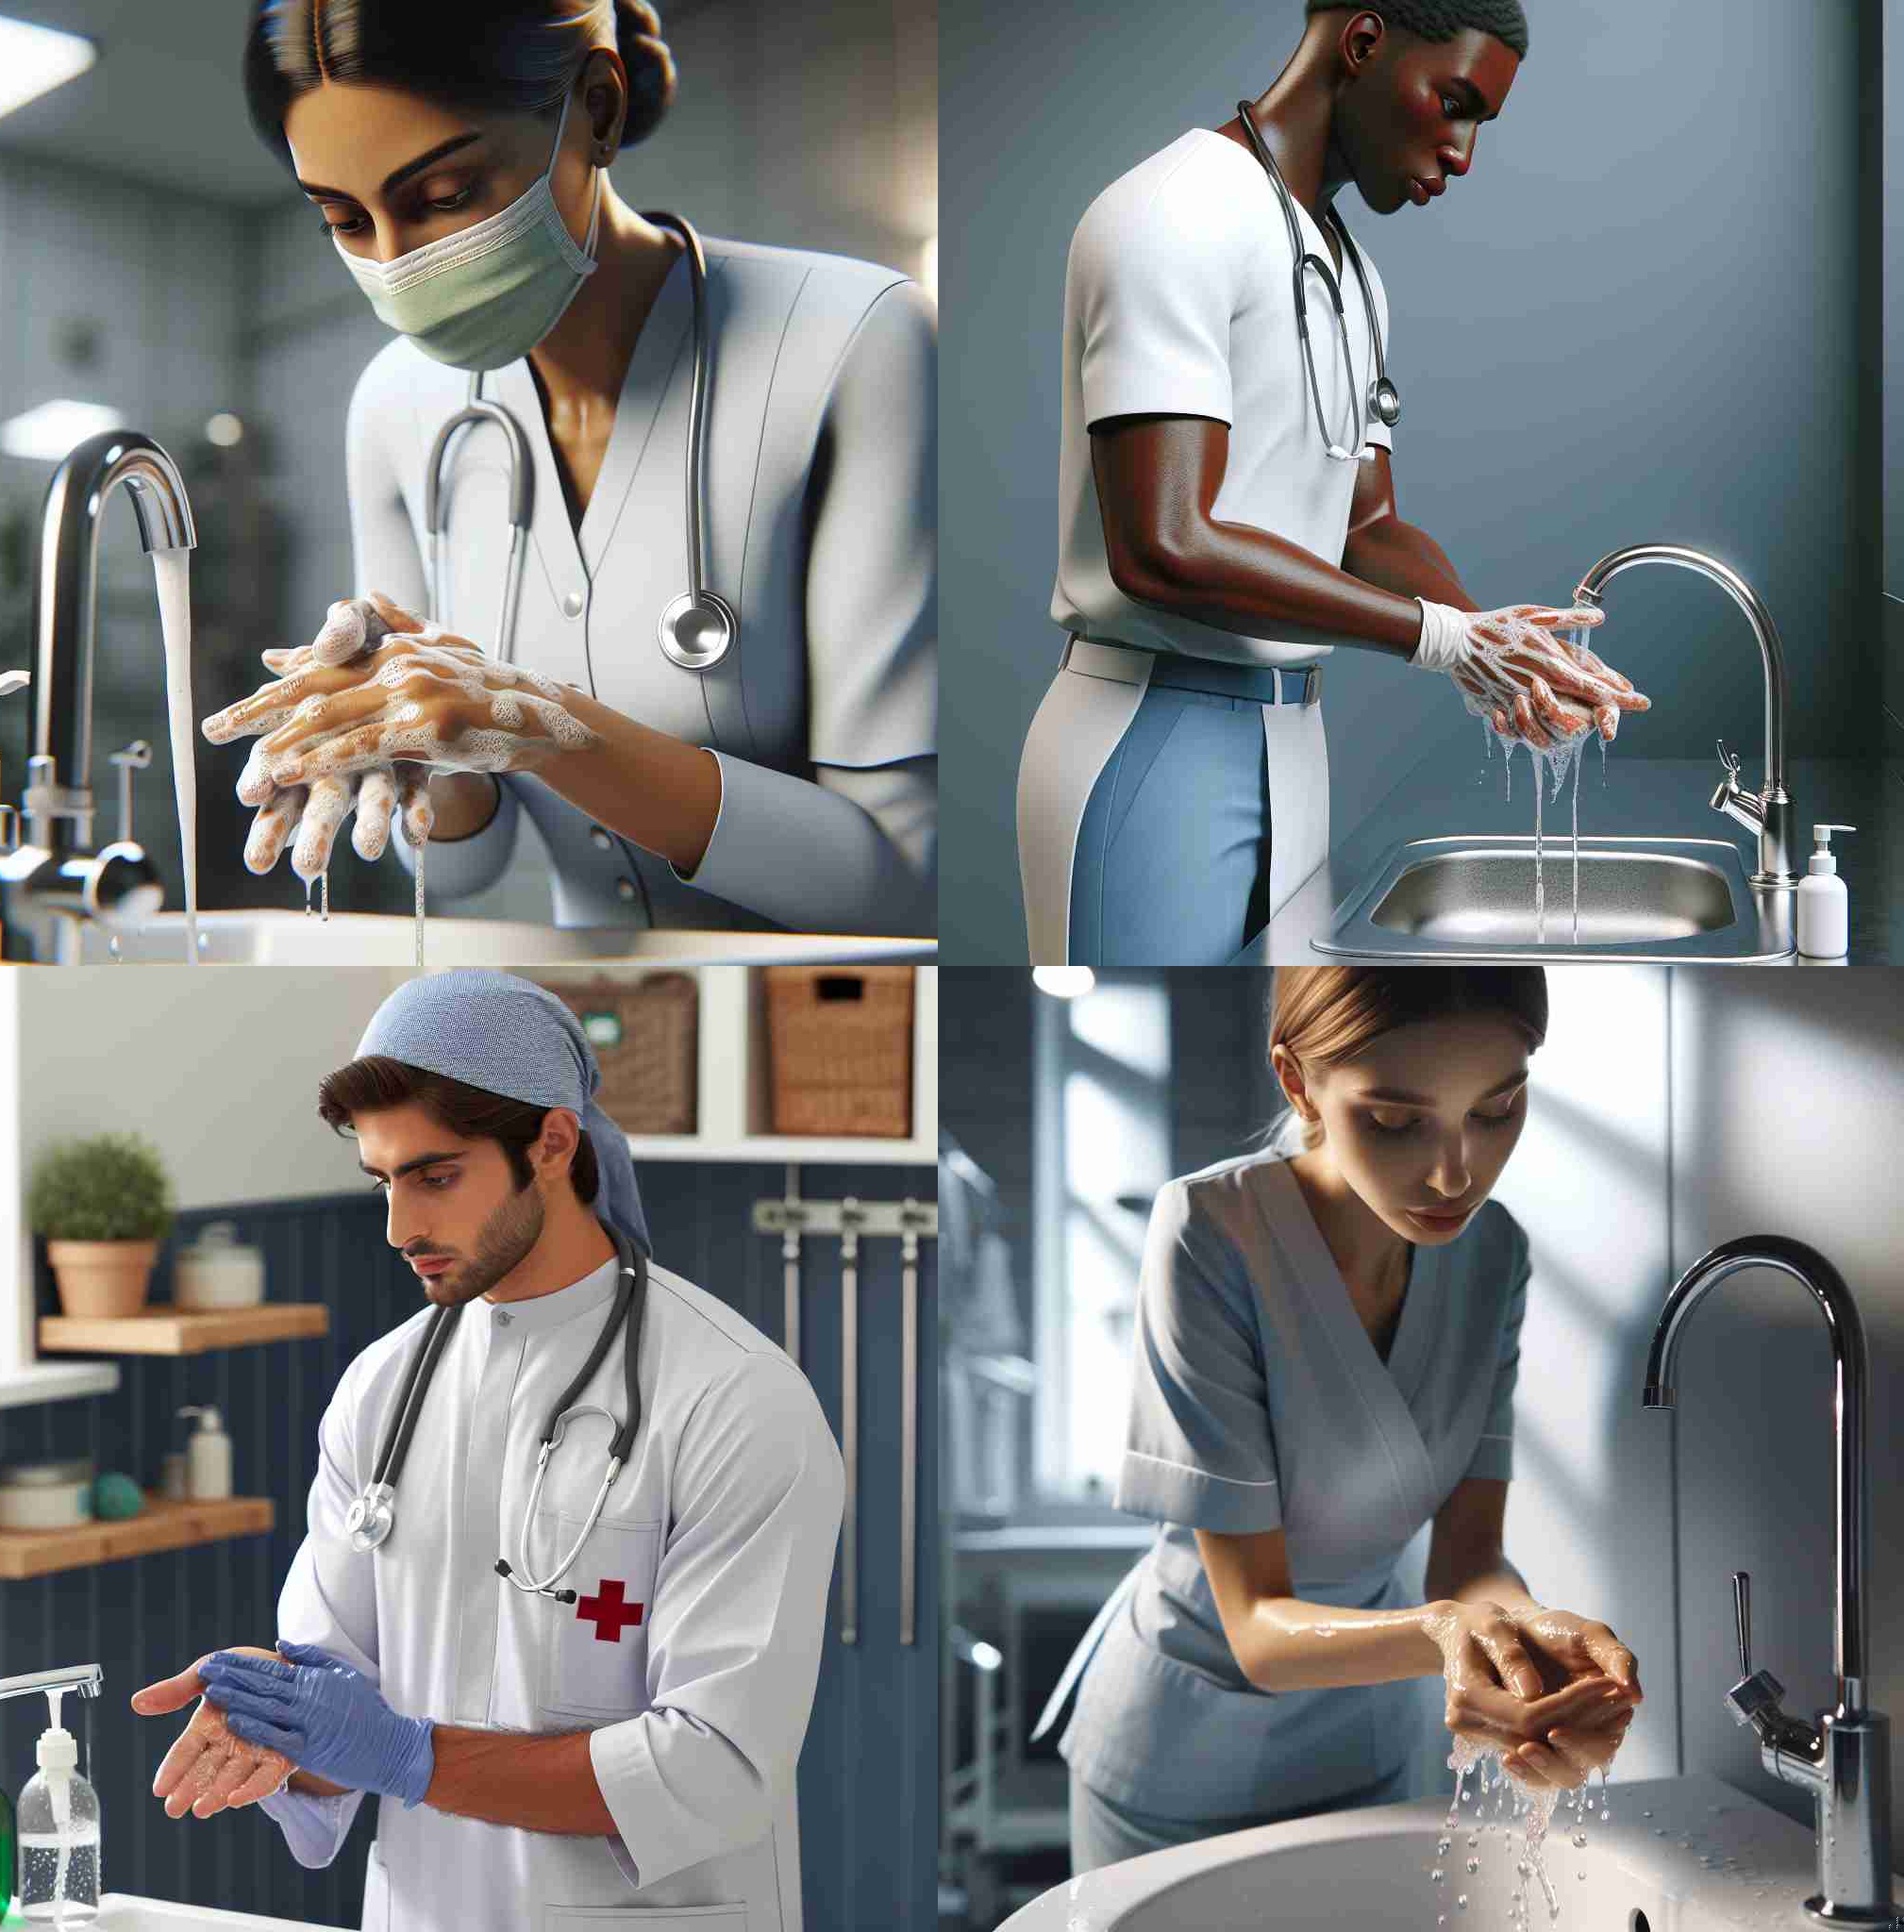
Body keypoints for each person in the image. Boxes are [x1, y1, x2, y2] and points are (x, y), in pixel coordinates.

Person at [129, 971, 843, 1930]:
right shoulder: (379, 1391)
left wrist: (409, 1755)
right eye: (383, 1181)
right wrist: (274, 1718)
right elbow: (340, 1684)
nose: (399, 1227)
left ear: (552, 1142)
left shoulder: (733, 1397)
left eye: (434, 1174)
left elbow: (716, 1765)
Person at [206, 0, 935, 938]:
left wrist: (539, 725)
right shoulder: (395, 406)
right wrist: (405, 750)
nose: (397, 265)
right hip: (590, 984)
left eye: (442, 196)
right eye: (345, 220)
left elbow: (902, 882)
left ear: (596, 108)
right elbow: (464, 867)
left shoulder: (855, 340)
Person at [1014, 0, 1650, 965]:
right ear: (1360, 43)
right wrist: (1442, 641)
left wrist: (1499, 647)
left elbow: (1367, 527)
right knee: (1143, 1072)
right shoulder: (1169, 214)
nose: (1463, 152)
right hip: (1146, 738)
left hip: (1292, 741)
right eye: (1453, 101)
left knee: (1254, 1074)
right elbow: (1162, 546)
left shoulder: (1353, 276)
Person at [1032, 966, 1645, 1874]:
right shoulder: (1212, 1229)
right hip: (1185, 1754)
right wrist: (1447, 1635)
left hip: (1369, 1750)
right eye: (1396, 1121)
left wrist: (1536, 1651)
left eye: (1497, 1109)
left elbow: (1469, 1561)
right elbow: (1256, 1629)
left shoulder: (1494, 1253)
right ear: (1297, 1080)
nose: (1455, 1172)